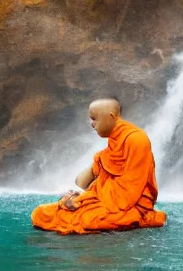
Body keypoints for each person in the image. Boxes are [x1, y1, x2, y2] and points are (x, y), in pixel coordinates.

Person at [31, 98, 167, 234]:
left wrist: (89, 199)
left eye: (94, 119)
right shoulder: (112, 145)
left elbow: (132, 189)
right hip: (108, 201)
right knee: (41, 212)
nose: (92, 124)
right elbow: (81, 182)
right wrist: (87, 193)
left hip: (129, 205)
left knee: (88, 219)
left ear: (111, 117)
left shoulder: (137, 139)